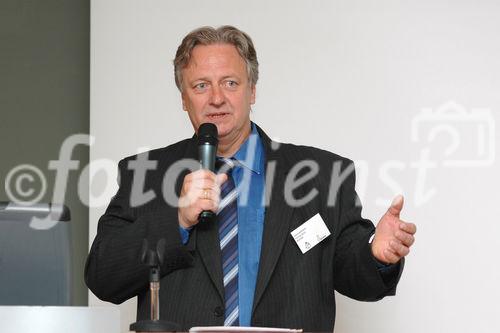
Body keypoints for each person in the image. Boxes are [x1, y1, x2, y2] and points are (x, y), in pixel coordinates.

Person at [85, 25, 416, 331]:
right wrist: (177, 220)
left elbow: (353, 273)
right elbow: (103, 278)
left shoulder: (322, 175)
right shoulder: (145, 174)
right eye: (201, 86)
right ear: (184, 98)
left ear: (252, 90)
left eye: (230, 82)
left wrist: (376, 255)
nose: (217, 98)